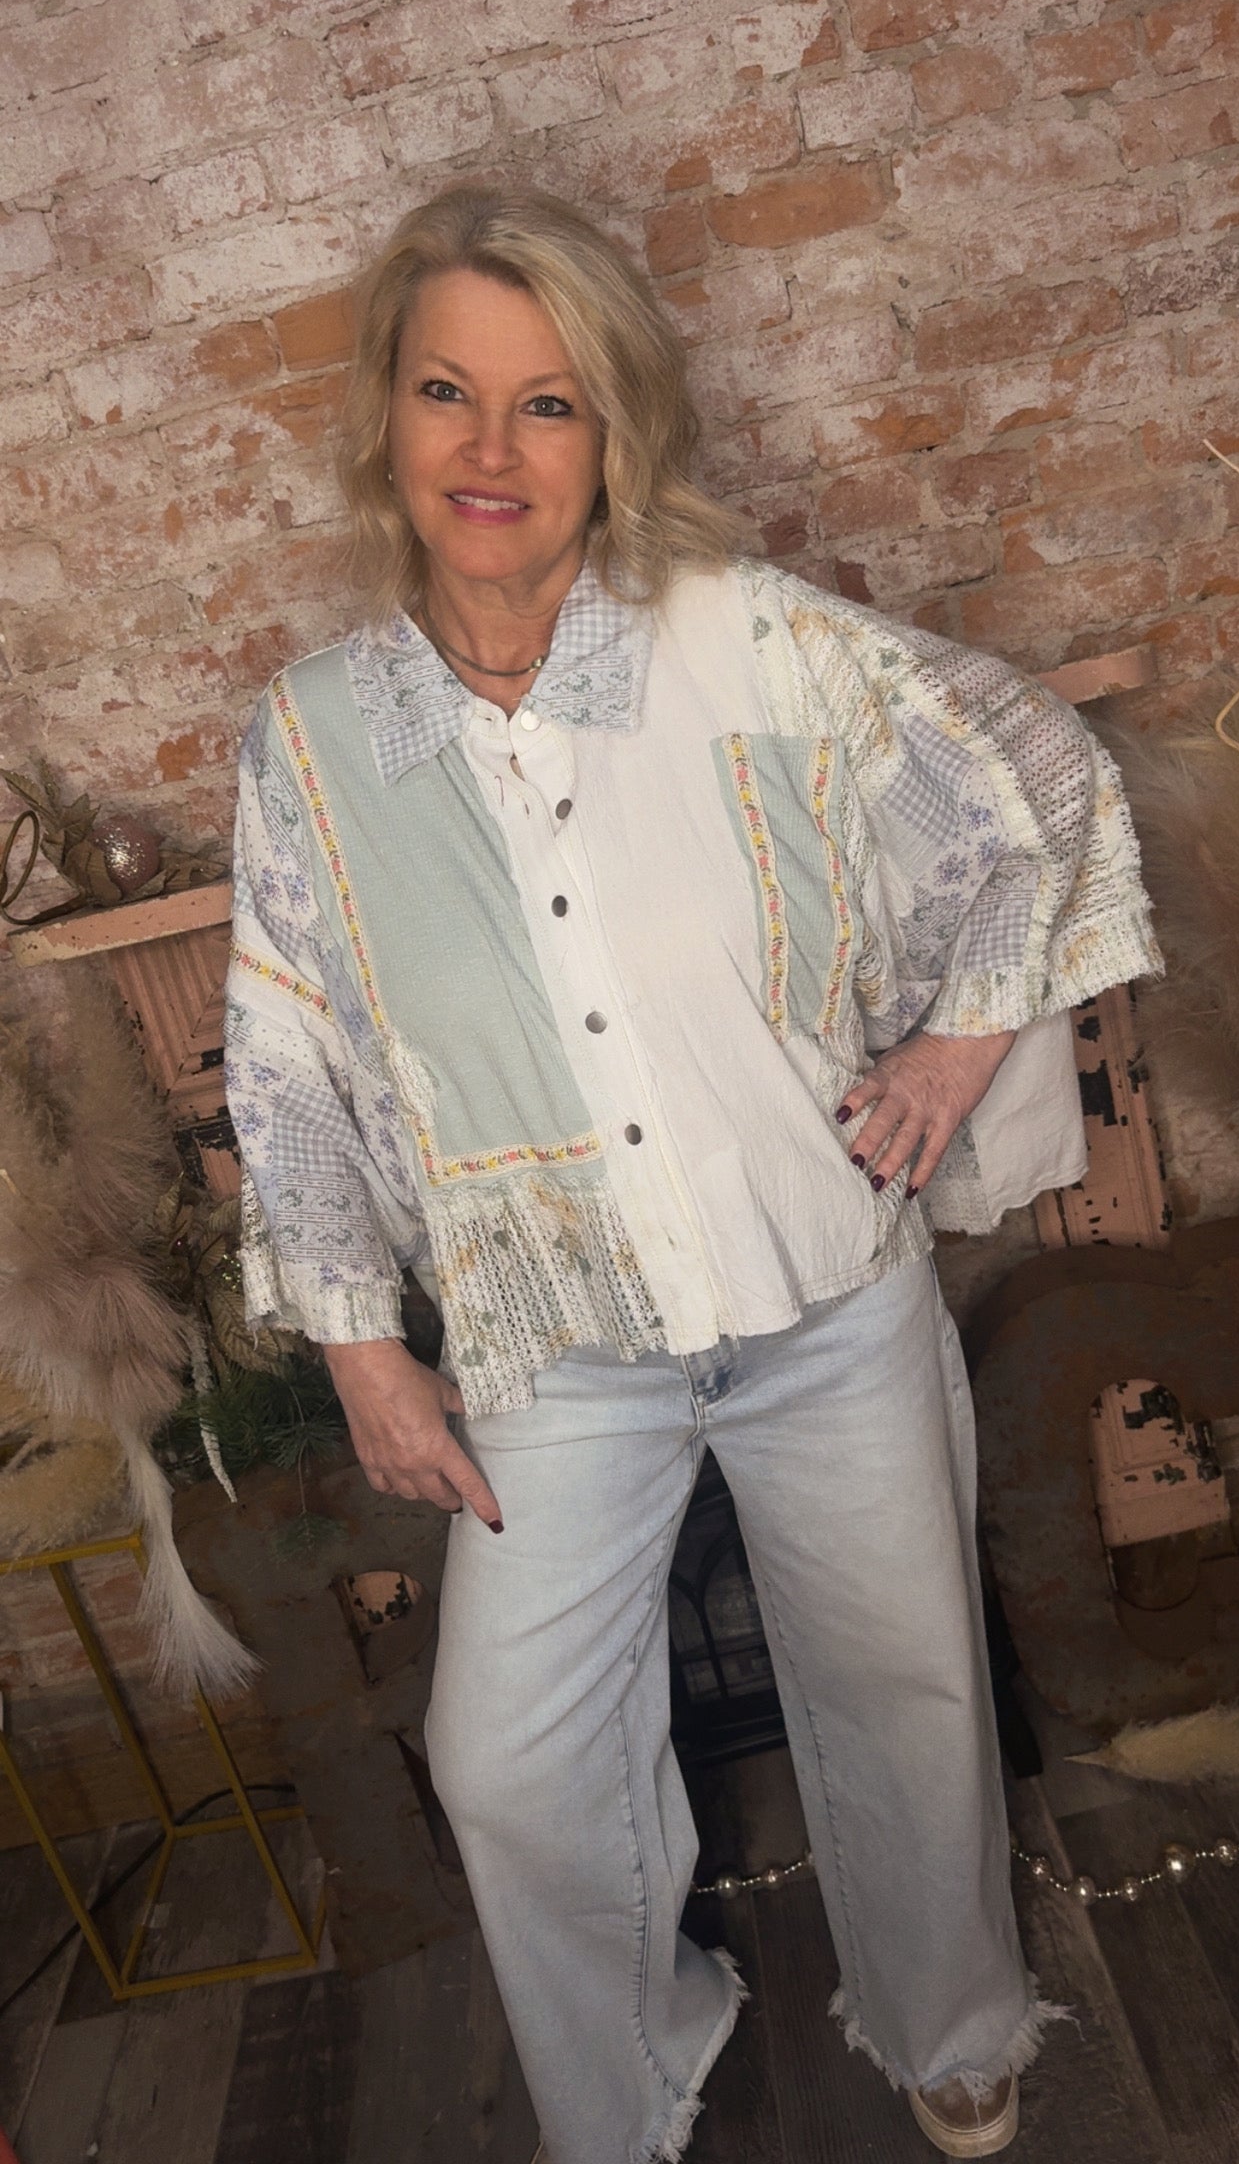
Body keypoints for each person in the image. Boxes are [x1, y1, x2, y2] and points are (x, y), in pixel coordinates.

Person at [224, 184, 1160, 2164]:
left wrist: (958, 1040)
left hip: (821, 1299)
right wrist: (362, 1349)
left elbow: (1035, 776)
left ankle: (950, 2021)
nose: (491, 448)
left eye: (547, 401)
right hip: (556, 1352)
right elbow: (285, 1062)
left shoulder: (743, 642)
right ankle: (633, 2061)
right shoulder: (309, 743)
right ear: (384, 416)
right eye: (448, 392)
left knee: (907, 1688)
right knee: (504, 1762)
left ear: (612, 431)